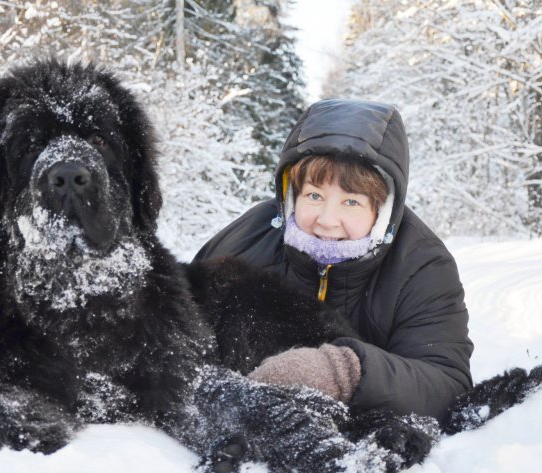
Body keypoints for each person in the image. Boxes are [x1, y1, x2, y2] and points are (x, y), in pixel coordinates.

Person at [193, 99, 473, 423]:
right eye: (314, 195)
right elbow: (175, 319)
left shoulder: (422, 266)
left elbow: (446, 384)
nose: (327, 220)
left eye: (351, 201)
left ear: (382, 208)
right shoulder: (246, 239)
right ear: (291, 193)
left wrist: (344, 372)